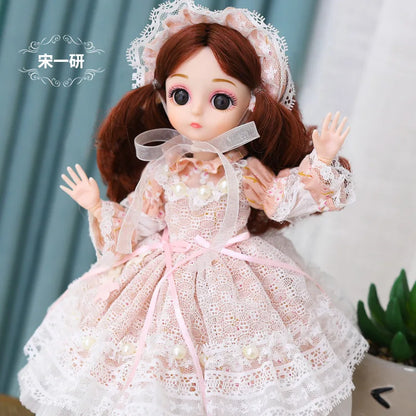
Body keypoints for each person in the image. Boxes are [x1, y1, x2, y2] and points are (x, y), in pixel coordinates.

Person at [18, 1, 367, 415]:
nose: (196, 111)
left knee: (237, 368)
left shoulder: (243, 170)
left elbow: (284, 200)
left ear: (251, 104)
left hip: (236, 278)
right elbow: (140, 224)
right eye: (180, 95)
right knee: (149, 365)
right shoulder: (165, 168)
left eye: (221, 99)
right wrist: (97, 206)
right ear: (162, 97)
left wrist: (321, 161)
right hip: (162, 271)